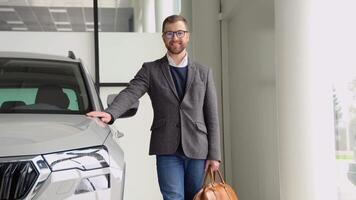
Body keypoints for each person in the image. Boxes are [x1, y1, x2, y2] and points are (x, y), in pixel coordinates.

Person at [87, 15, 221, 200]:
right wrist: (111, 113)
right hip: (167, 147)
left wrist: (214, 155)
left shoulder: (204, 72)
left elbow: (212, 116)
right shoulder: (151, 70)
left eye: (180, 33)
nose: (175, 38)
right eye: (170, 33)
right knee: (173, 196)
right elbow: (131, 92)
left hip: (198, 148)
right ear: (163, 37)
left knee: (196, 197)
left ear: (187, 36)